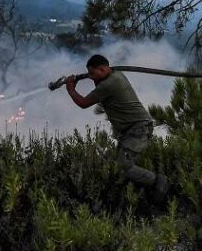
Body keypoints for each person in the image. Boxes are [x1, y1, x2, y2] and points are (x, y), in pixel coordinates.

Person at [66, 54, 169, 199]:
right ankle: (139, 193)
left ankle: (157, 181)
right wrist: (94, 77)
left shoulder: (109, 84)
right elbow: (100, 86)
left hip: (137, 129)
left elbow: (83, 103)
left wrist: (70, 89)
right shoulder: (116, 75)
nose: (90, 77)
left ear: (102, 69)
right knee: (119, 165)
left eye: (93, 74)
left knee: (123, 167)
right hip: (132, 129)